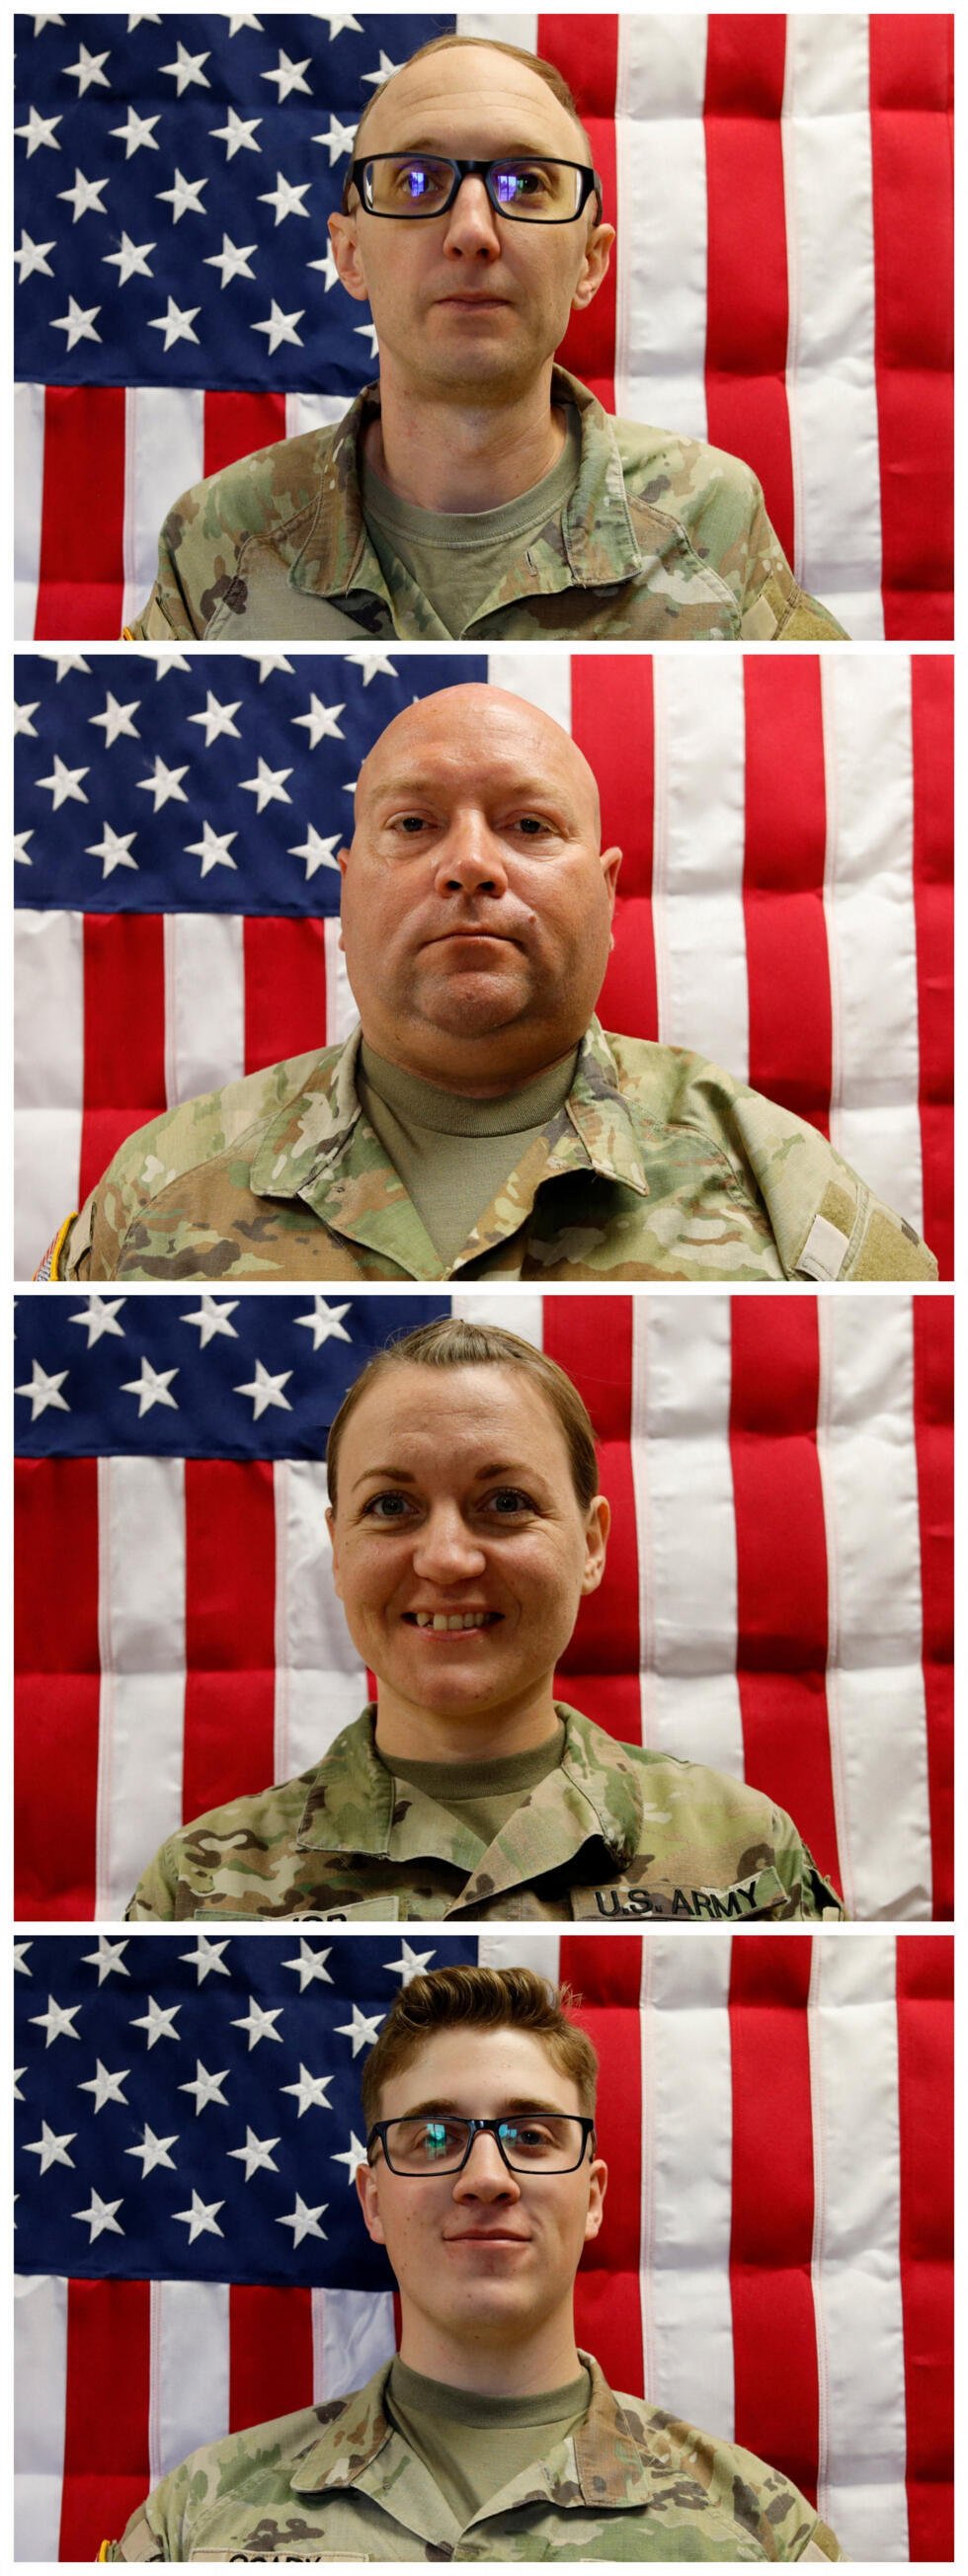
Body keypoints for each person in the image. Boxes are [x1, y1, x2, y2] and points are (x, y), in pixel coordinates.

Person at [39, 685, 936, 1286]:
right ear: (345, 894)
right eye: (416, 823)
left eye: (530, 824)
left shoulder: (778, 1184)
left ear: (609, 894)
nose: (470, 864)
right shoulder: (161, 1184)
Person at [101, 1965, 847, 2560]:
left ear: (592, 2199)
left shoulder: (760, 2531)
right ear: (373, 2203)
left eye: (531, 2135)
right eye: (432, 2137)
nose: (486, 2177)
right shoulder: (200, 2519)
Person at [123, 34, 847, 645]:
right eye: (413, 180)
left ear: (590, 263)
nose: (471, 232)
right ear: (349, 255)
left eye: (526, 182)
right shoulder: (220, 536)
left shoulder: (710, 516)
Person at [126, 1318, 846, 1924]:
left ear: (590, 1546)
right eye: (389, 1506)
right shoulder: (201, 1885)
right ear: (338, 1549)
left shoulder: (743, 1847)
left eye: (505, 1502)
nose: (445, 1559)